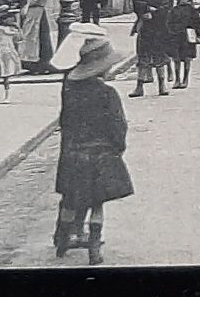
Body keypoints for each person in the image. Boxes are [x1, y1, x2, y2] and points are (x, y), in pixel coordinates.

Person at [49, 25, 133, 266]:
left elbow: (66, 121)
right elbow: (118, 126)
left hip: (74, 152)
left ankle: (63, 242)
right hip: (101, 153)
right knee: (97, 202)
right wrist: (117, 148)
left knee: (72, 198)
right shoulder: (108, 93)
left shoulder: (70, 90)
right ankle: (94, 248)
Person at [128, 0, 172, 97]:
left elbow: (165, 11)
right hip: (144, 32)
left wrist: (152, 12)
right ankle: (139, 87)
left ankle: (162, 85)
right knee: (142, 60)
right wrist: (150, 8)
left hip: (159, 32)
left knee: (160, 59)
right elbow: (138, 6)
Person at [167, 0, 200, 88]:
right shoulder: (173, 10)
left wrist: (198, 34)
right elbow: (169, 23)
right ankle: (177, 79)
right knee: (176, 59)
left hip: (188, 38)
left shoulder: (193, 11)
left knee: (187, 59)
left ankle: (185, 79)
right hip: (176, 37)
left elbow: (198, 24)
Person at [19, 0, 56, 74]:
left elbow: (31, 0)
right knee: (30, 36)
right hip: (32, 14)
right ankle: (30, 63)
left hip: (38, 14)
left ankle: (40, 63)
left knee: (37, 37)